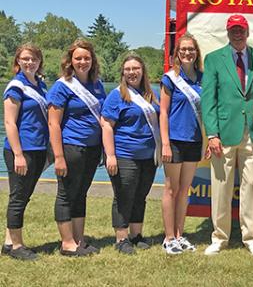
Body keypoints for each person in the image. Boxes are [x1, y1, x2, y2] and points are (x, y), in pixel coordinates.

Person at [201, 15, 253, 258]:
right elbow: (208, 100)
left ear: (248, 31)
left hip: (252, 132)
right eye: (233, 30)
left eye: (241, 29)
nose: (238, 34)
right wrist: (212, 135)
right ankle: (219, 237)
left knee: (251, 186)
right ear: (228, 32)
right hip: (223, 134)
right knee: (220, 187)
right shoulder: (213, 59)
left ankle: (251, 238)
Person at [47, 39, 106, 256]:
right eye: (78, 58)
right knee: (66, 194)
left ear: (92, 60)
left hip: (92, 148)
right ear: (70, 61)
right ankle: (67, 243)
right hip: (71, 147)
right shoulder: (62, 86)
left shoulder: (97, 85)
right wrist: (59, 156)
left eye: (86, 58)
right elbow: (53, 123)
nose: (83, 61)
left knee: (81, 193)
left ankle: (79, 239)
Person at [101, 55, 160, 255]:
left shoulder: (149, 95)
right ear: (123, 73)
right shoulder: (116, 95)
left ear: (143, 71)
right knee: (124, 196)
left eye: (136, 68)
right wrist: (110, 156)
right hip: (125, 154)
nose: (132, 72)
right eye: (128, 69)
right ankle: (121, 238)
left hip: (148, 156)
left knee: (140, 196)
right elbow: (107, 126)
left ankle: (136, 235)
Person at [2, 44, 48, 260]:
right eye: (26, 59)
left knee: (22, 196)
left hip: (38, 149)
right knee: (19, 198)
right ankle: (18, 246)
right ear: (18, 61)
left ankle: (9, 242)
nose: (30, 62)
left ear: (40, 62)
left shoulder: (41, 85)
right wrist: (18, 154)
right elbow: (10, 123)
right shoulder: (16, 86)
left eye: (34, 59)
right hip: (21, 150)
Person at [159, 34, 203, 255]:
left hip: (194, 140)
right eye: (183, 49)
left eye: (191, 49)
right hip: (174, 141)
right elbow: (163, 112)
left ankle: (179, 234)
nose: (187, 53)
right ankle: (168, 238)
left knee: (184, 190)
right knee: (171, 189)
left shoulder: (202, 78)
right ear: (177, 53)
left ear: (196, 53)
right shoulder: (170, 79)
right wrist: (165, 143)